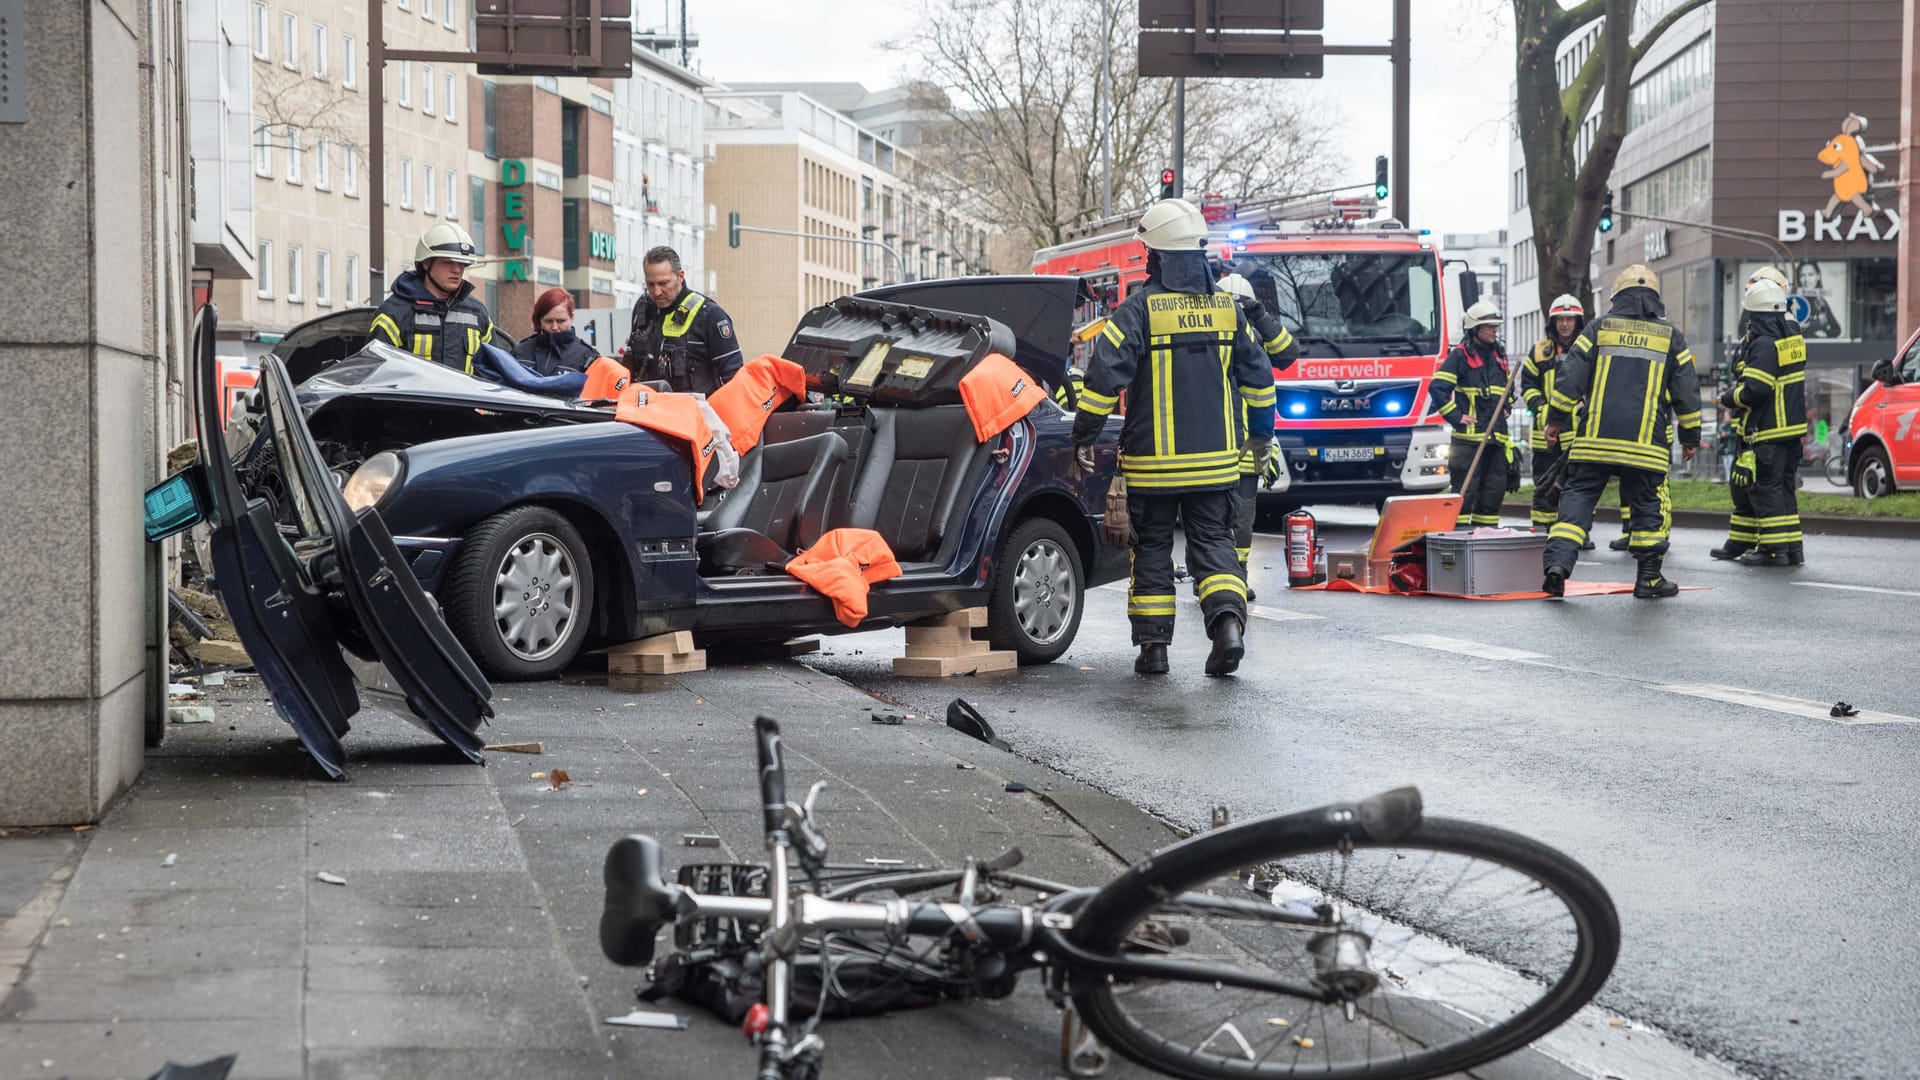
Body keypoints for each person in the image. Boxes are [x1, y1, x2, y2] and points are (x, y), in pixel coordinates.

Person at [1071, 197, 1275, 677]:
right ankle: (1227, 626)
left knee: (1154, 553)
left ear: (1156, 256)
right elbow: (1260, 382)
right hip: (1218, 465)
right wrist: (1261, 440)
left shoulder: (1137, 311)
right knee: (1214, 546)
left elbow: (1102, 381)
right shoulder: (1228, 310)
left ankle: (1154, 650)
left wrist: (1085, 436)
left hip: (1152, 467)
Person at [1540, 265, 1702, 599]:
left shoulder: (1598, 329)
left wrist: (1555, 419)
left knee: (1578, 500)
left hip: (1594, 441)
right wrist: (1690, 438)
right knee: (1646, 505)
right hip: (1645, 446)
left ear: (1617, 297)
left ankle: (1557, 567)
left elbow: (1570, 376)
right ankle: (1649, 579)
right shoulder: (1671, 336)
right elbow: (1687, 392)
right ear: (1654, 299)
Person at [1219, 272, 1299, 597]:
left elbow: (1288, 355)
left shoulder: (1258, 333)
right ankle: (1210, 577)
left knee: (1242, 516)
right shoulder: (1212, 334)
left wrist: (1260, 316)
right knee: (1212, 516)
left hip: (1250, 440)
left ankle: (1236, 578)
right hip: (1218, 439)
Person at [1710, 266, 1797, 561]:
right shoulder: (1788, 335)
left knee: (1764, 488)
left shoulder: (1764, 342)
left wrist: (1728, 398)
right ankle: (1778, 547)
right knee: (1755, 487)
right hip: (1781, 429)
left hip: (1766, 429)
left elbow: (1756, 390)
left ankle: (1774, 551)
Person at [1428, 301, 1514, 528]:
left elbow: (1507, 389)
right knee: (1466, 493)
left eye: (1496, 325)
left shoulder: (1499, 355)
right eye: (1489, 326)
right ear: (1474, 329)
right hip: (1468, 442)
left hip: (1496, 439)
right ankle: (1461, 537)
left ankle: (1485, 537)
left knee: (1493, 494)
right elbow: (1437, 388)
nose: (1494, 330)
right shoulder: (1460, 356)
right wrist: (1456, 417)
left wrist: (1508, 406)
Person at [370, 223, 495, 374]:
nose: (456, 270)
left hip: (465, 398)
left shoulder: (477, 313)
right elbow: (375, 371)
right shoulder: (395, 312)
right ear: (426, 263)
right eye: (448, 262)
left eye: (462, 264)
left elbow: (493, 371)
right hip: (413, 398)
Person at [1520, 294, 1592, 547]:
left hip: (1579, 432)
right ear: (1552, 322)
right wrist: (1540, 409)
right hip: (1545, 434)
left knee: (1578, 485)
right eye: (1560, 319)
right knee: (1544, 482)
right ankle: (1542, 531)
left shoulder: (1588, 349)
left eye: (1570, 319)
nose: (1565, 324)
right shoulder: (1540, 351)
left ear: (1577, 321)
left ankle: (1578, 533)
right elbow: (1528, 385)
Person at [623, 246, 743, 394]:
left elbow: (734, 379)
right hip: (646, 410)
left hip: (694, 413)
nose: (657, 292)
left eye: (663, 283)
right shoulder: (643, 309)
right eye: (650, 284)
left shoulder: (710, 315)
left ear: (680, 276)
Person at [512, 287, 599, 376]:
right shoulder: (520, 351)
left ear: (572, 317)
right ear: (539, 320)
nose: (554, 327)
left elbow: (608, 386)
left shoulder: (587, 356)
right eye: (548, 321)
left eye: (561, 321)